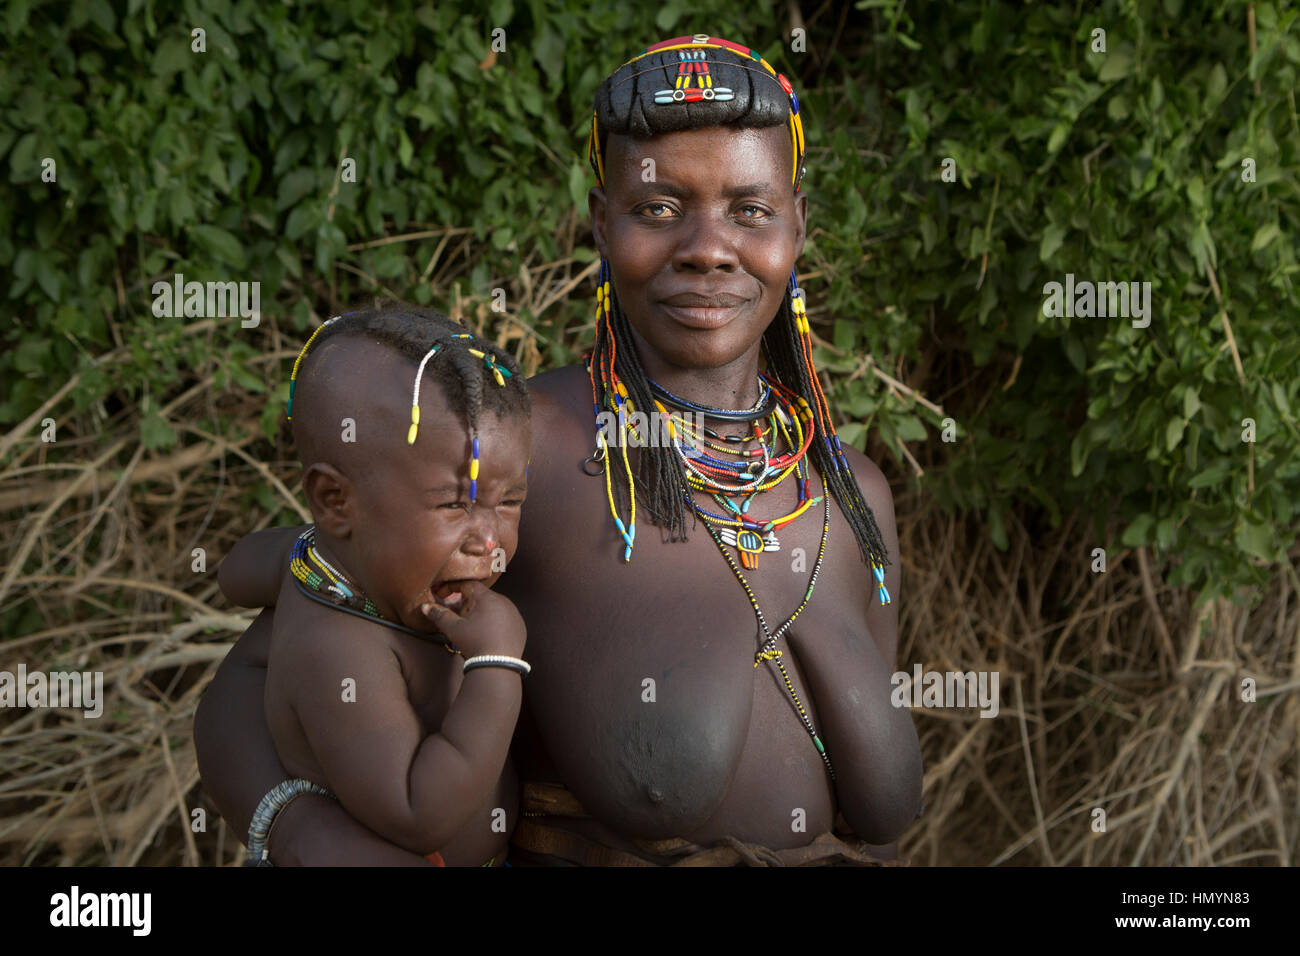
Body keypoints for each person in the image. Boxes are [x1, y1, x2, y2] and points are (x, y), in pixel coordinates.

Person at [195, 33, 923, 866]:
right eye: (657, 208)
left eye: (750, 210)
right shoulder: (522, 457)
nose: (708, 247)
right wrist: (298, 831)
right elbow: (255, 683)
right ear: (601, 224)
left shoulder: (852, 496)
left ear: (798, 226)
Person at [216, 306, 531, 866]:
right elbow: (418, 815)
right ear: (336, 501)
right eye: (454, 504)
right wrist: (498, 666)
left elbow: (237, 570)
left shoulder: (318, 563)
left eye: (509, 501)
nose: (488, 540)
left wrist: (294, 560)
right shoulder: (340, 652)